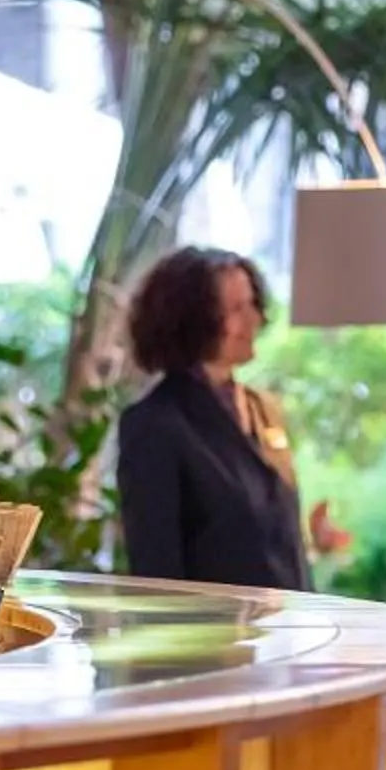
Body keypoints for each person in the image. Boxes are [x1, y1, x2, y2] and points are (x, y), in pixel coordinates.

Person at [115, 246, 310, 591]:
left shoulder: (261, 410)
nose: (255, 320)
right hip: (215, 640)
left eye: (253, 304)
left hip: (285, 634)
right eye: (236, 309)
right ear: (193, 320)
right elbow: (157, 573)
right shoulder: (154, 425)